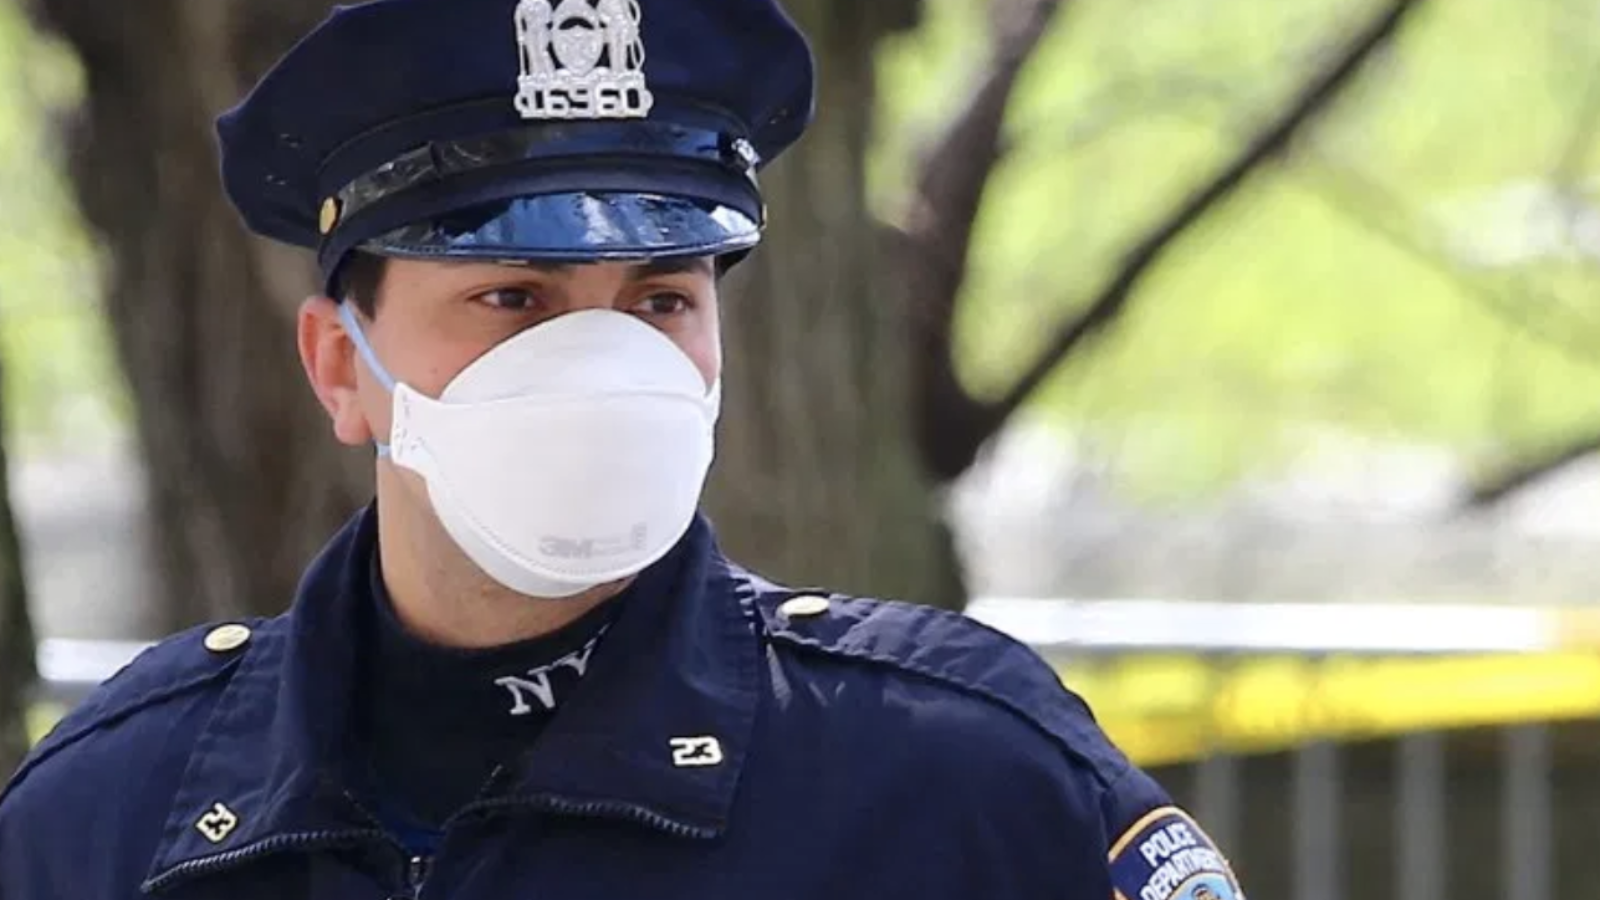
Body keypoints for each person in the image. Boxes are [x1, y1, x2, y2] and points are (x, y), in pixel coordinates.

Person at [0, 0, 1249, 897]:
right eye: (515, 300)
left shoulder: (957, 782)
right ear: (342, 368)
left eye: (661, 301)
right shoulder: (119, 815)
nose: (602, 366)